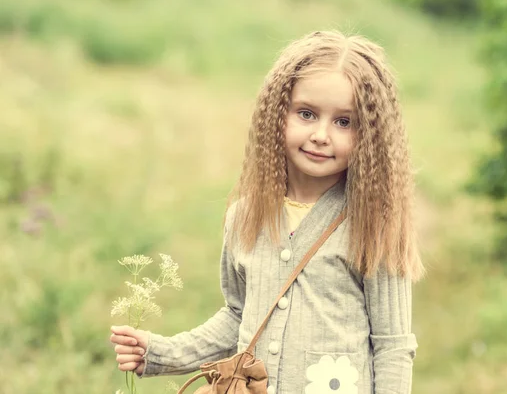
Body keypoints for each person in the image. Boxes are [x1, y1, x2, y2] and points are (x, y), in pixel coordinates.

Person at [110, 30, 424, 394]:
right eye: (306, 114)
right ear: (277, 114)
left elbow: (392, 345)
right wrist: (162, 352)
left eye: (344, 122)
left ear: (370, 134)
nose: (321, 134)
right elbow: (239, 315)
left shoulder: (374, 224)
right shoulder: (246, 216)